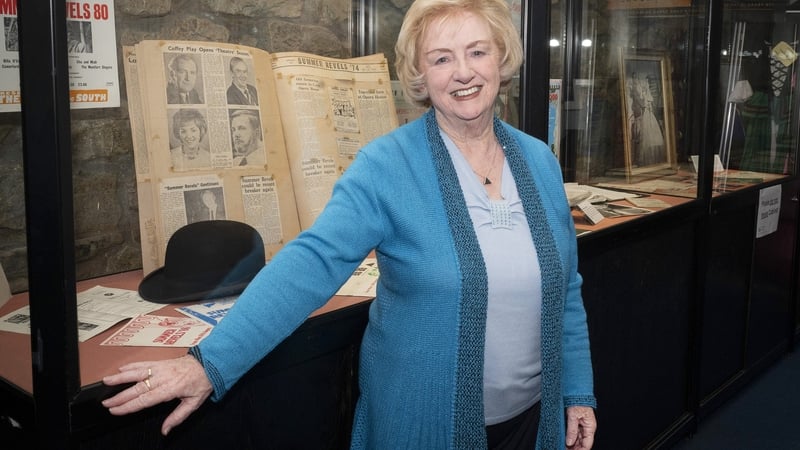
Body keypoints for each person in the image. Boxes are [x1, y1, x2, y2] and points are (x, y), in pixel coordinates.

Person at [102, 0, 597, 448]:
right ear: (420, 75)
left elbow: (565, 291)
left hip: (533, 423)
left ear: (501, 59)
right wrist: (210, 363)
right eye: (441, 58)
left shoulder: (538, 161)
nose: (463, 72)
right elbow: (312, 263)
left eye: (477, 52)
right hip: (420, 427)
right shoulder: (386, 166)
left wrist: (577, 393)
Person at [627, 71, 665, 166]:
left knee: (649, 133)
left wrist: (647, 104)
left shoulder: (644, 91)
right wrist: (644, 104)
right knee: (642, 134)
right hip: (642, 112)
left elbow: (647, 101)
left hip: (647, 113)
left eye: (636, 78)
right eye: (634, 78)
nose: (636, 80)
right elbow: (638, 101)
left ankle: (650, 158)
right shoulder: (635, 90)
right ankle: (640, 159)